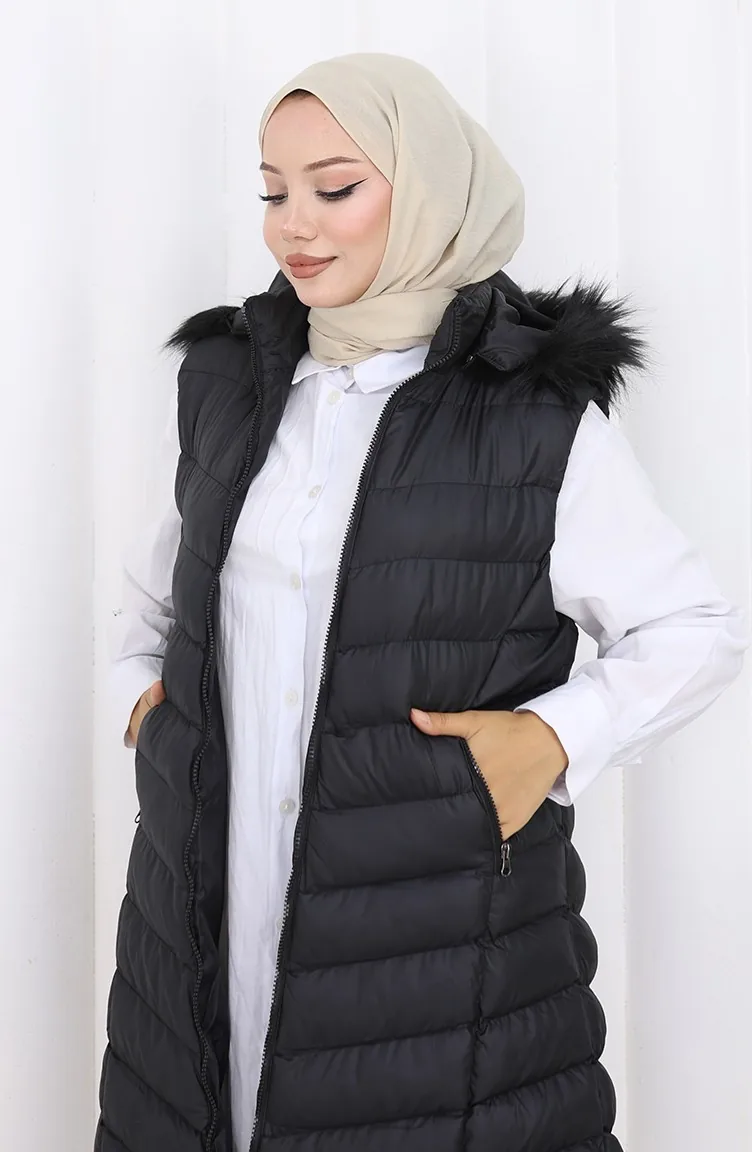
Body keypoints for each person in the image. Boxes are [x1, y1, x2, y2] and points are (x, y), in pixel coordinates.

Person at [95, 53, 749, 1152]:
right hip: (202, 913)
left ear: (433, 191)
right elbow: (154, 598)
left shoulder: (532, 417)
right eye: (273, 190)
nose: (293, 224)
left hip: (445, 949)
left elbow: (690, 629)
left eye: (334, 186)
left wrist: (552, 737)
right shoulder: (231, 389)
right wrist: (145, 708)